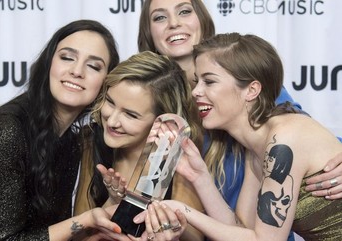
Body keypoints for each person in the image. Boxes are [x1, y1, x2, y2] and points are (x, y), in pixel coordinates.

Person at [137, 0, 342, 227]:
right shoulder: (151, 104)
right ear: (148, 33)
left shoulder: (246, 83)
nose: (174, 23)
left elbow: (310, 143)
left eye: (184, 11)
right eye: (159, 17)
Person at [0, 19, 129, 240]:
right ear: (48, 63)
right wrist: (88, 219)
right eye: (67, 57)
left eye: (93, 66)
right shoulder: (5, 130)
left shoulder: (71, 142)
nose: (77, 71)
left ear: (106, 83)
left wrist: (110, 207)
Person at [74, 50, 204, 241]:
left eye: (130, 115)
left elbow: (194, 237)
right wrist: (114, 201)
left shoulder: (180, 155)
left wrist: (168, 230)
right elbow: (79, 234)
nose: (112, 121)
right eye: (110, 102)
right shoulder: (91, 139)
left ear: (163, 121)